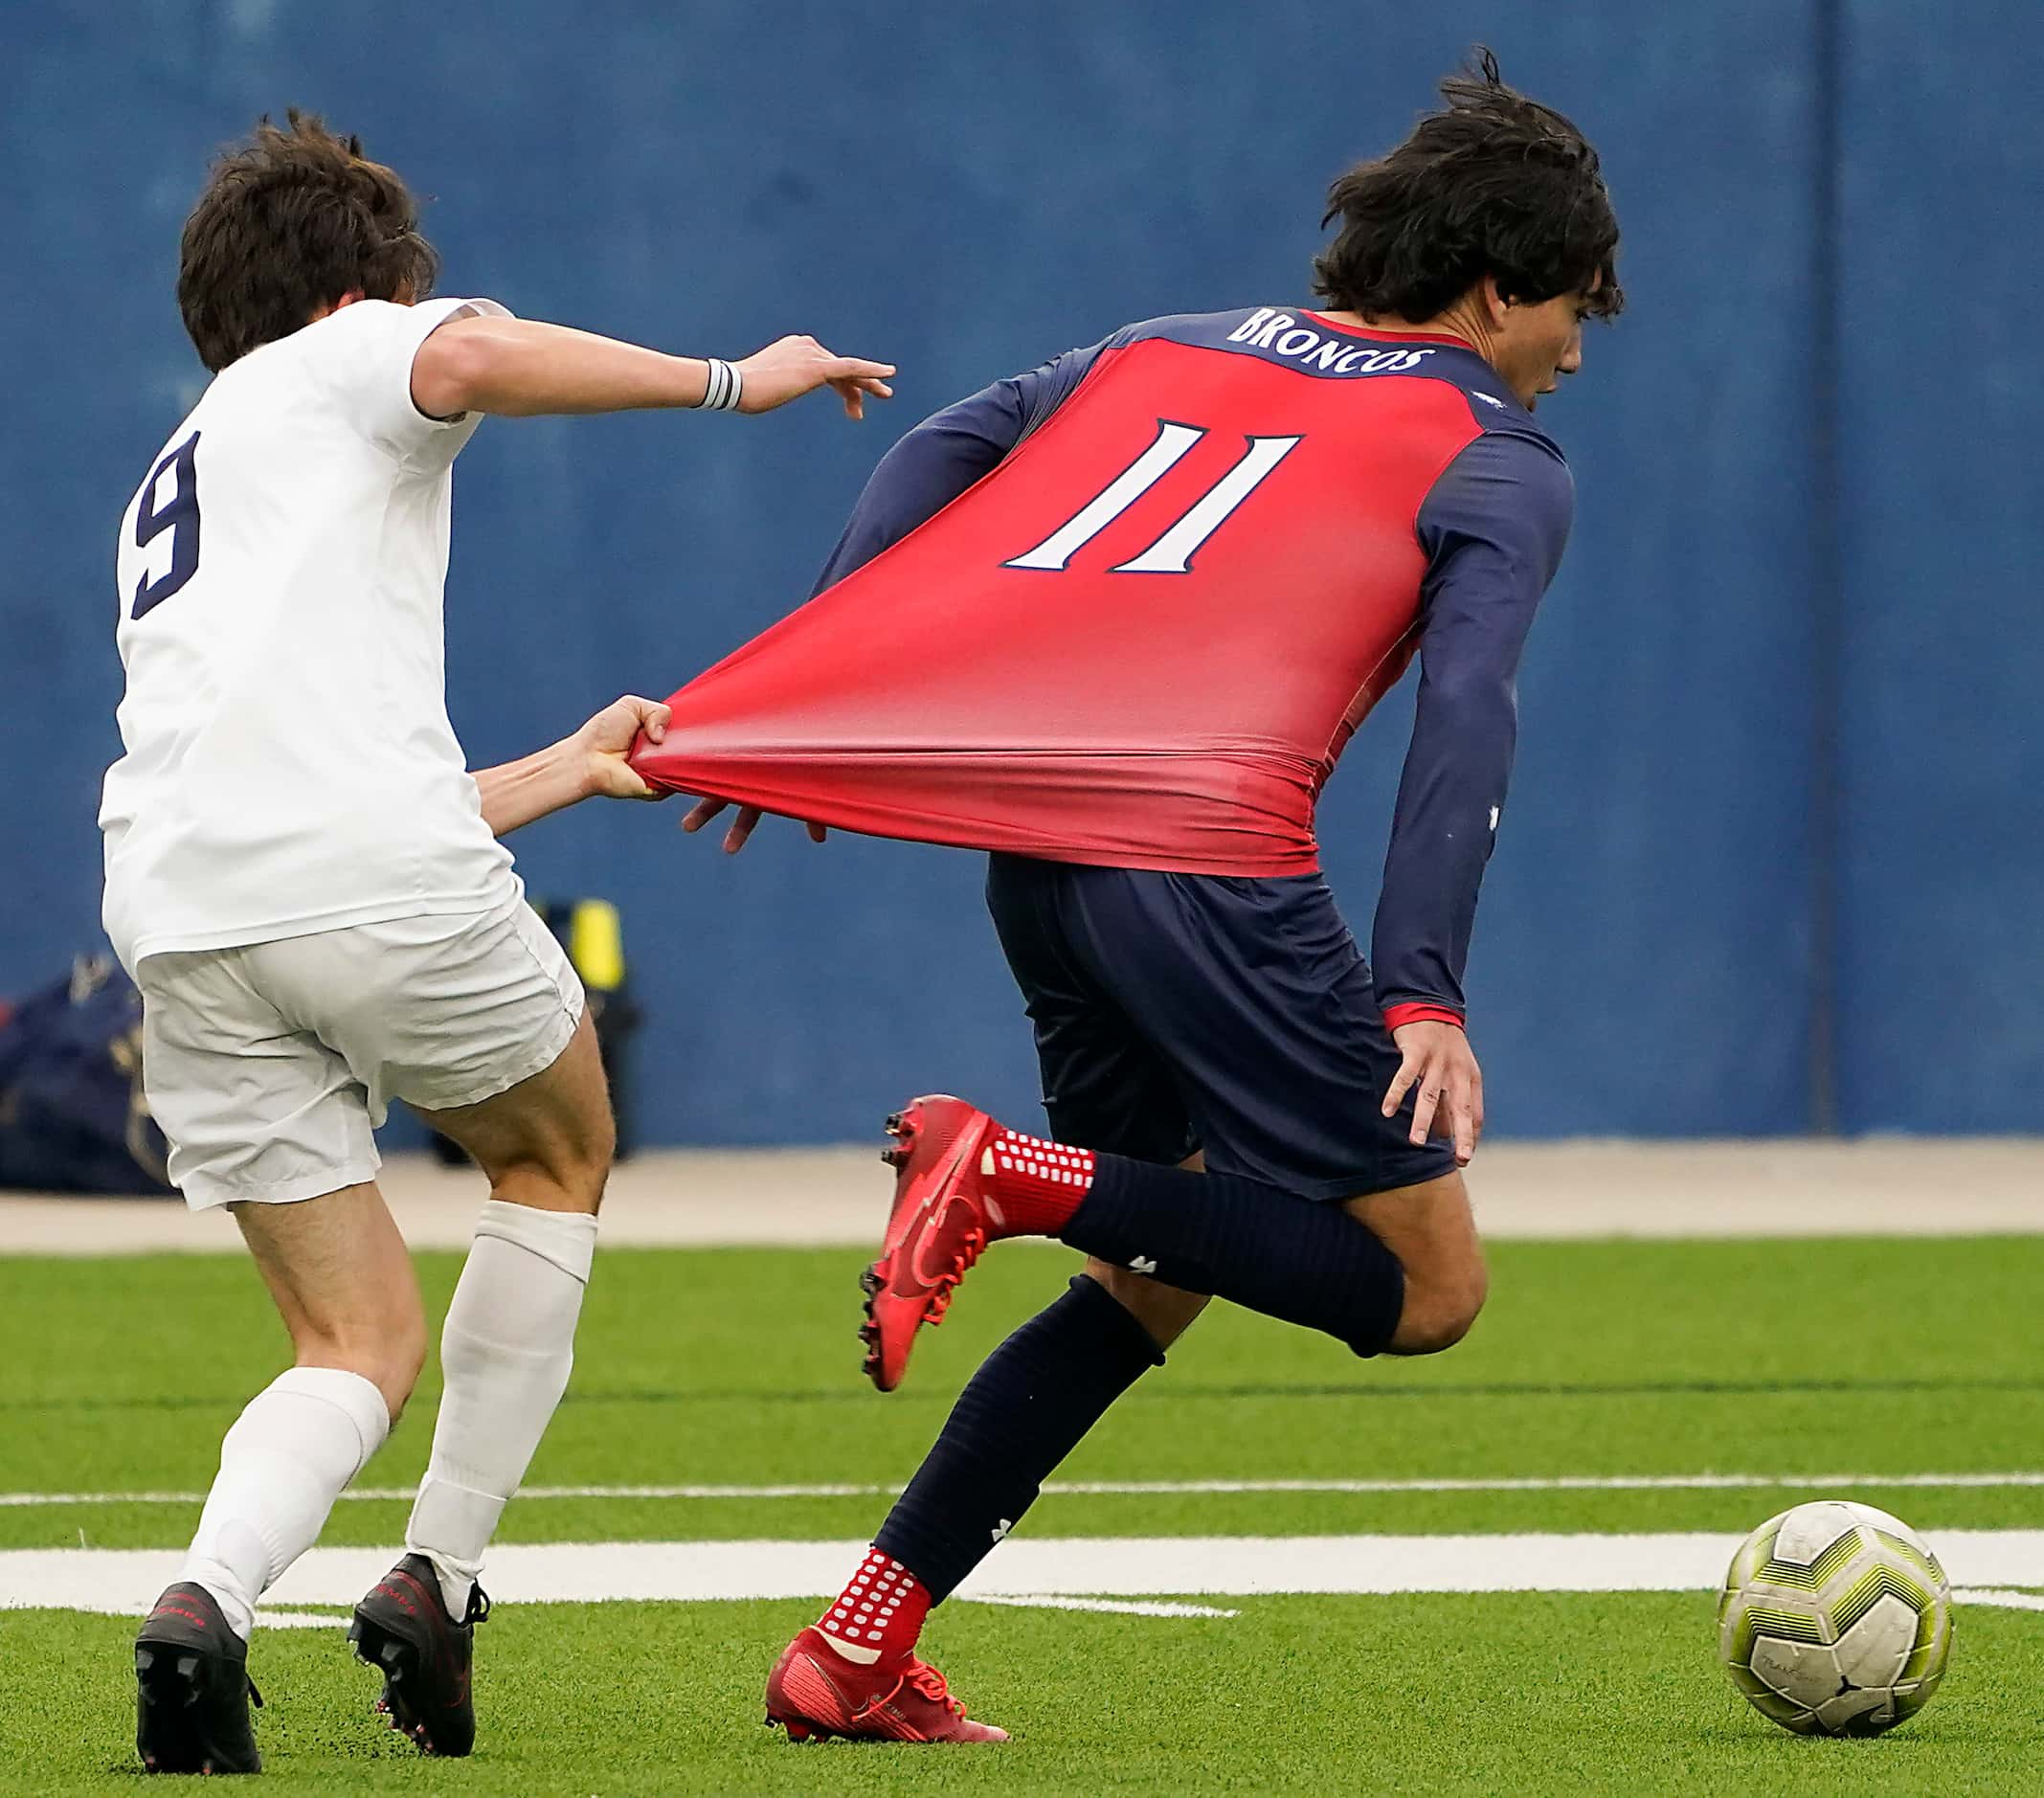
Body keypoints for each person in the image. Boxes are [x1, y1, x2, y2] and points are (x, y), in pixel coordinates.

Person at [638, 54, 1621, 1742]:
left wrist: (800, 695)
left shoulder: (1158, 346)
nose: (1576, 351)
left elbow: (939, 448)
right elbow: (1467, 715)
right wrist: (1422, 989)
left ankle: (858, 1642)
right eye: (1573, 309)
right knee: (1426, 1294)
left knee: (1151, 1252)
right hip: (1211, 867)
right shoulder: (1497, 451)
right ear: (1492, 290)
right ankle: (1008, 1171)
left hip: (1043, 860)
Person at [103, 110, 892, 1775]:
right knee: (557, 1150)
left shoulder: (179, 480)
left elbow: (301, 797)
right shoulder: (360, 353)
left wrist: (558, 771)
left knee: (348, 1343)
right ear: (354, 291)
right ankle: (442, 1576)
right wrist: (740, 378)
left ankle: (205, 1599)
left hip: (179, 917)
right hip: (357, 882)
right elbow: (464, 352)